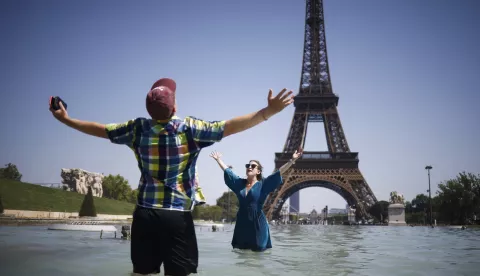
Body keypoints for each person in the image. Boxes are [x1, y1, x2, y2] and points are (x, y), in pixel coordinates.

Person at [48, 77, 294, 276]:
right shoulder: (190, 129)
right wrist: (268, 111)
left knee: (142, 273)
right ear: (175, 107)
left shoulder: (137, 128)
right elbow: (231, 126)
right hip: (177, 217)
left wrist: (66, 119)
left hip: (144, 214)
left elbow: (100, 129)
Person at [209, 148, 303, 252]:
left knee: (257, 256)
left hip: (258, 224)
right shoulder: (239, 184)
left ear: (258, 171)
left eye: (253, 166)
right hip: (242, 224)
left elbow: (279, 173)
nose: (249, 167)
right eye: (247, 165)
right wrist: (218, 160)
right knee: (241, 255)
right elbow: (228, 172)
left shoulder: (264, 184)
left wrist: (292, 160)